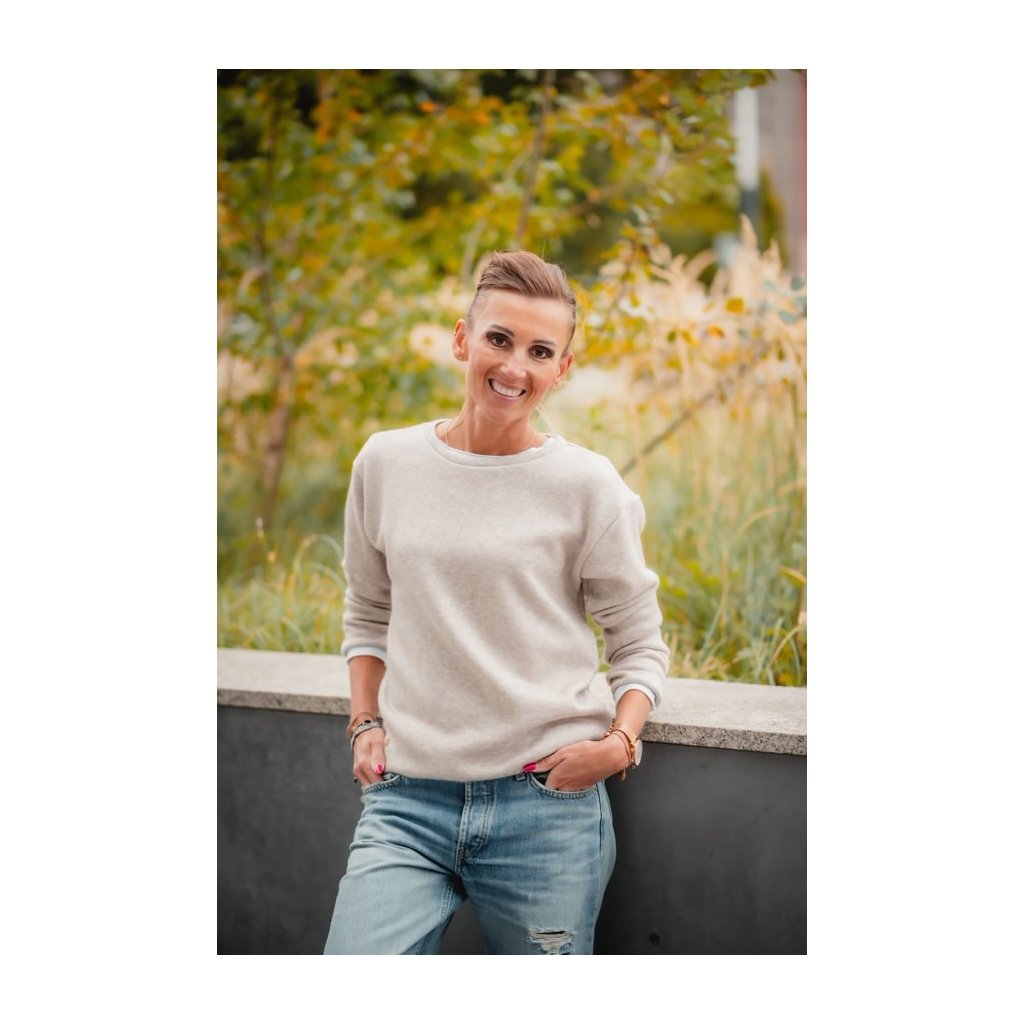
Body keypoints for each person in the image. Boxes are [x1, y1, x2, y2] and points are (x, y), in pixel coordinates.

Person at [323, 250, 669, 955]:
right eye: (499, 339)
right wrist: (364, 723)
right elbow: (368, 611)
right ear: (463, 339)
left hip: (545, 810)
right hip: (407, 802)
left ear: (562, 369)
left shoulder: (589, 486)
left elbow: (638, 644)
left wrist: (618, 746)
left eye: (540, 351)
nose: (515, 367)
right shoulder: (385, 464)